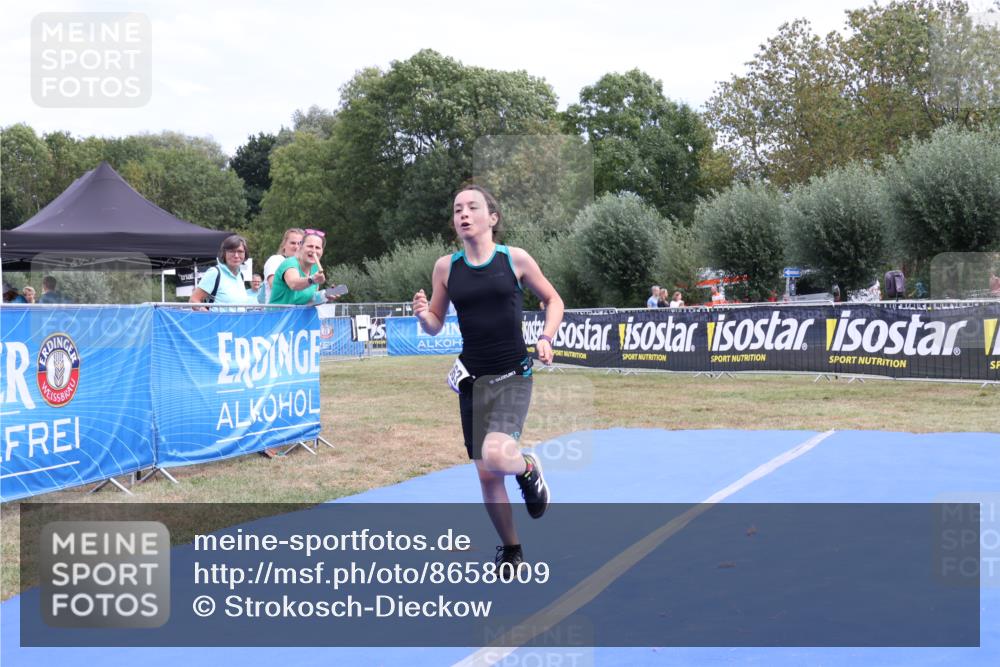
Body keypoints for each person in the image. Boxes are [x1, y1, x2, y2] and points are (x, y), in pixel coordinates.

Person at [412, 184, 564, 579]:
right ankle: (512, 549)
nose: (463, 214)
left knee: (499, 455)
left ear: (491, 218)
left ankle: (528, 467)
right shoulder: (446, 268)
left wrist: (546, 338)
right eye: (458, 209)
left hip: (513, 373)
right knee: (486, 474)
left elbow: (553, 299)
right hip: (472, 380)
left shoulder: (514, 259)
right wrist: (422, 315)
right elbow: (434, 324)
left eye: (472, 207)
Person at [269, 230, 335, 305]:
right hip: (279, 315)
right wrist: (312, 279)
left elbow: (309, 300)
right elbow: (294, 284)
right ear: (301, 246)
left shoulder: (315, 268)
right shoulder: (290, 263)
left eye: (317, 248)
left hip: (300, 315)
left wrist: (325, 295)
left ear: (322, 251)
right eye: (310, 246)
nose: (314, 251)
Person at [189, 235, 255, 311]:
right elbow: (193, 300)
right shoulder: (215, 273)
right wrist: (206, 314)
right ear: (224, 253)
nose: (236, 255)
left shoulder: (240, 275)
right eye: (232, 251)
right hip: (218, 322)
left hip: (239, 322)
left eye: (240, 251)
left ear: (245, 254)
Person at [262, 228, 304, 303]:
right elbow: (275, 287)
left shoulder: (304, 266)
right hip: (277, 312)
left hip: (297, 312)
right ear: (284, 245)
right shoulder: (275, 260)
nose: (297, 247)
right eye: (293, 243)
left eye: (300, 243)